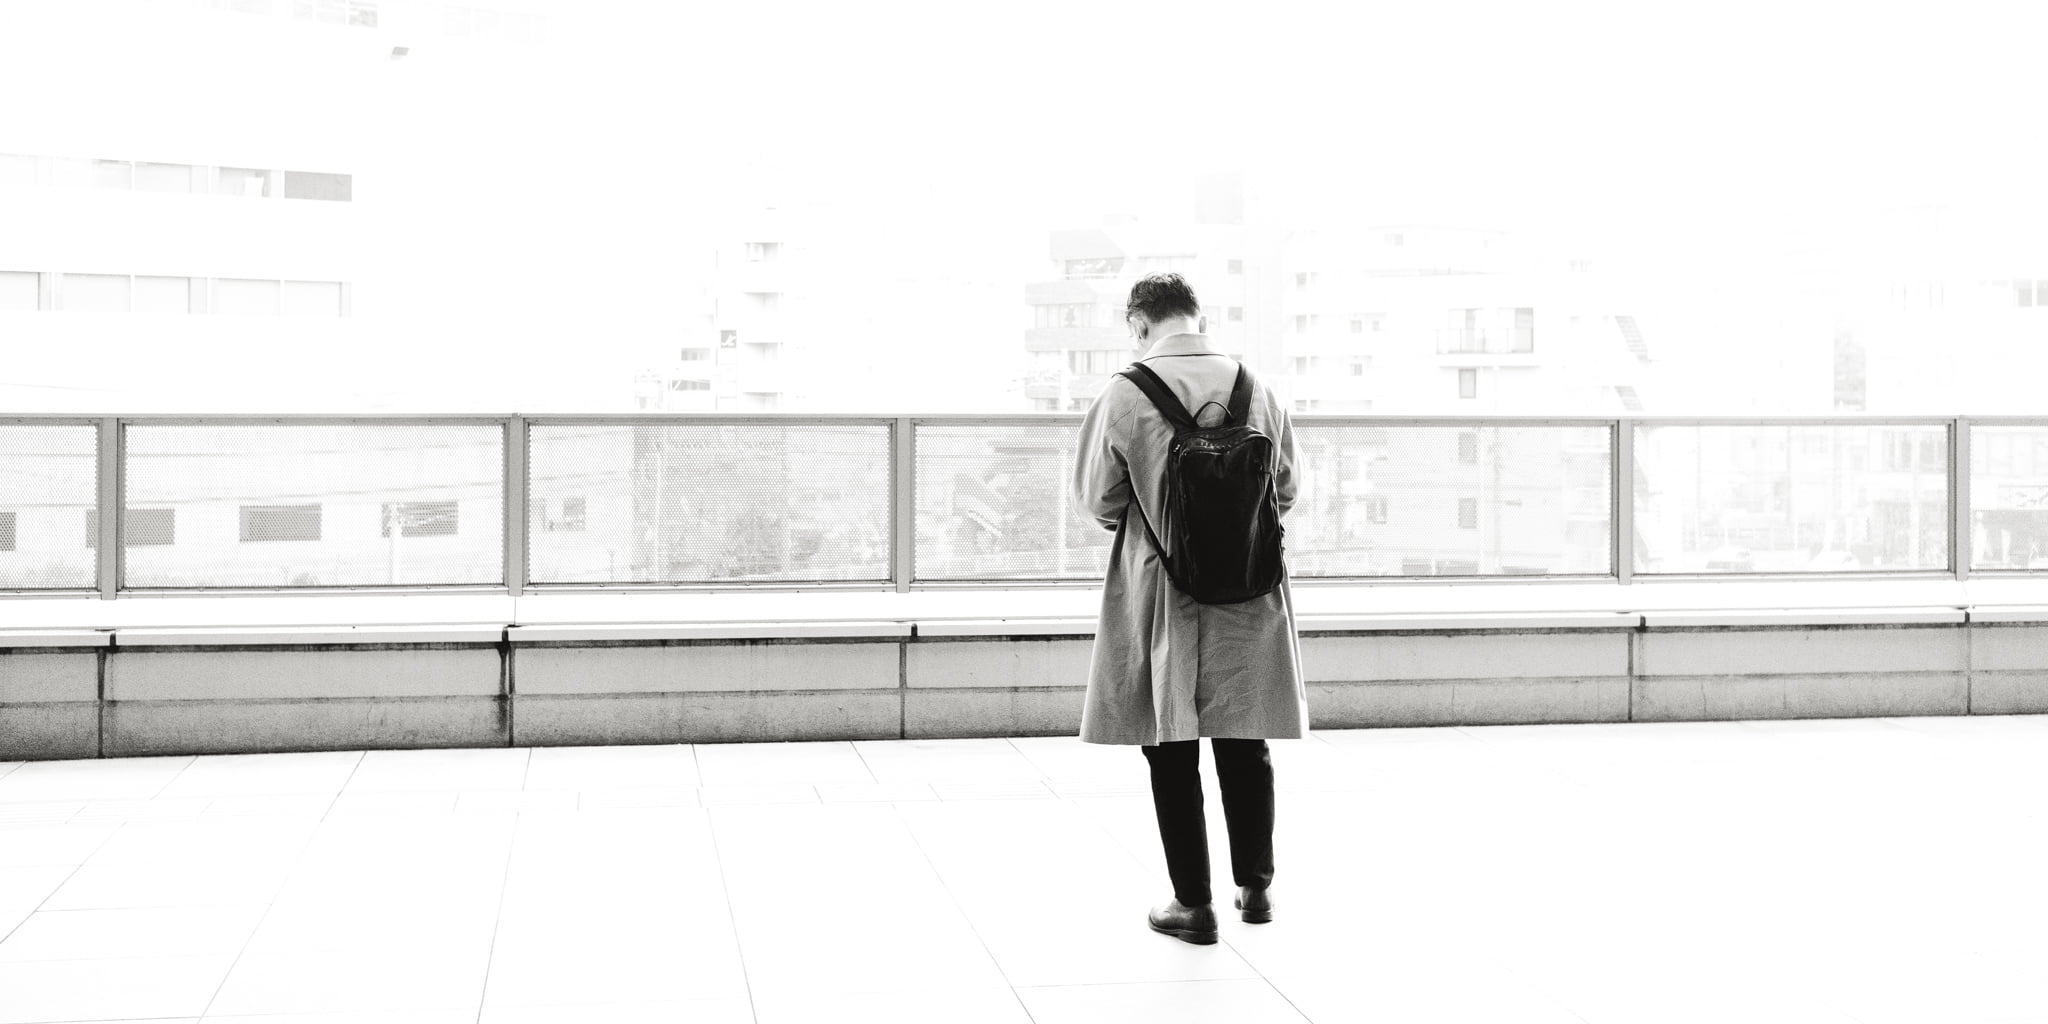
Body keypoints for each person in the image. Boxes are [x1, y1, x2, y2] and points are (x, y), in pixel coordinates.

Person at [1071, 272, 1309, 945]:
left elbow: (1101, 502)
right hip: (1248, 586)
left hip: (1163, 588)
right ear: (1196, 317)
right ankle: (1256, 888)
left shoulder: (1124, 393)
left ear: (1138, 324)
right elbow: (1286, 487)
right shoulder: (1255, 388)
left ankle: (1192, 903)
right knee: (1244, 732)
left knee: (1169, 742)